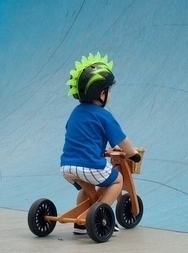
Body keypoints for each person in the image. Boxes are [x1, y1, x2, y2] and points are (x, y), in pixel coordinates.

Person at [60, 53, 141, 235]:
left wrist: (102, 151)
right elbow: (122, 141)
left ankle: (80, 224)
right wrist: (132, 154)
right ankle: (100, 214)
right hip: (89, 166)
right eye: (108, 91)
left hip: (66, 166)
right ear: (101, 93)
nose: (109, 95)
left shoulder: (75, 113)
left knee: (87, 188)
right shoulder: (104, 116)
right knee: (117, 180)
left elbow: (80, 138)